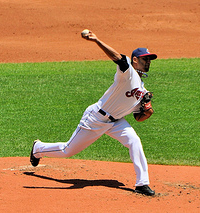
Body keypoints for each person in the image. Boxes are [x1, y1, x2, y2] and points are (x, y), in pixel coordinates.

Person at [30, 30, 157, 196]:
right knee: (68, 150)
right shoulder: (128, 73)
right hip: (96, 118)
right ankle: (38, 148)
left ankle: (142, 183)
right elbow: (117, 57)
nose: (148, 62)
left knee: (134, 141)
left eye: (149, 59)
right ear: (135, 59)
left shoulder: (142, 89)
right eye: (145, 59)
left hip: (116, 122)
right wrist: (97, 40)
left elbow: (138, 117)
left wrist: (147, 110)